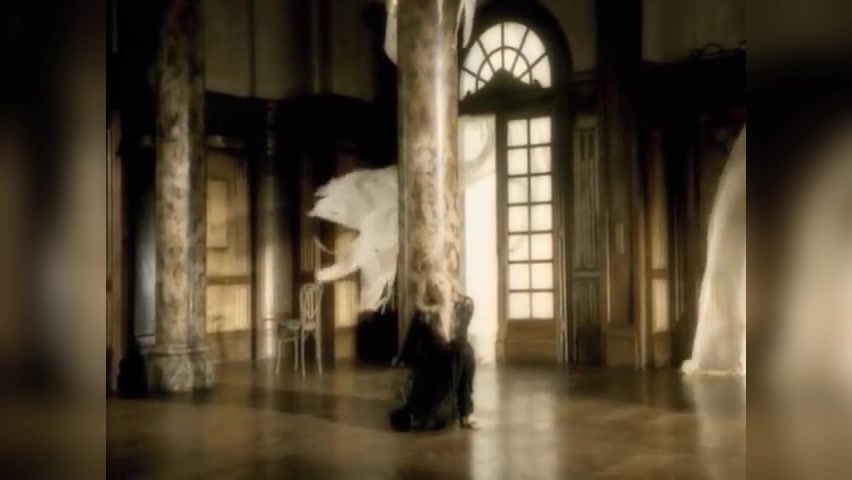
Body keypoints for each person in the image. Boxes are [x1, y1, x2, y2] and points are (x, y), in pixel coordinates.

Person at [389, 296, 478, 431]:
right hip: (433, 390)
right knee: (461, 350)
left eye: (441, 284)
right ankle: (420, 413)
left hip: (446, 397)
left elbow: (456, 343)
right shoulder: (425, 316)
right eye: (433, 286)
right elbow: (411, 350)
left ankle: (464, 411)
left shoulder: (462, 308)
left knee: (464, 350)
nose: (437, 287)